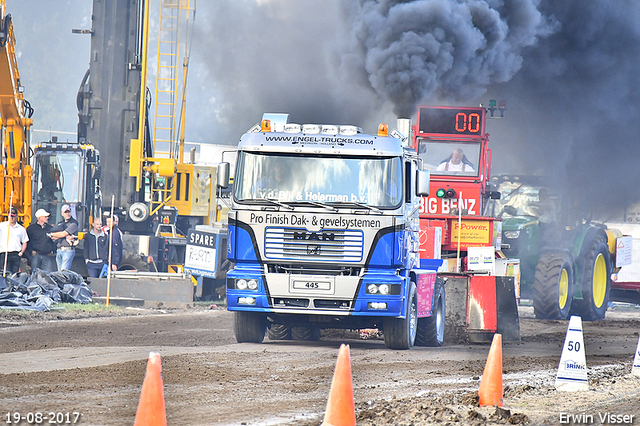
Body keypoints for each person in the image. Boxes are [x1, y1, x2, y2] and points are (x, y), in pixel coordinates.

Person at [0, 207, 29, 275]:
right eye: (10, 216)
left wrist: (21, 252)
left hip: (16, 254)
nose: (11, 218)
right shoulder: (2, 226)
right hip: (4, 253)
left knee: (15, 274)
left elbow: (25, 241)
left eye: (13, 216)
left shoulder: (21, 229)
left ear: (16, 216)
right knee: (5, 273)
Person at [50, 204, 79, 271]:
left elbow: (63, 234)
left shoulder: (74, 223)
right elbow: (54, 237)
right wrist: (57, 235)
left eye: (69, 212)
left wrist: (53, 234)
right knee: (59, 272)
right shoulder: (60, 223)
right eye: (65, 212)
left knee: (64, 271)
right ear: (62, 213)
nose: (67, 214)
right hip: (59, 249)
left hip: (68, 249)